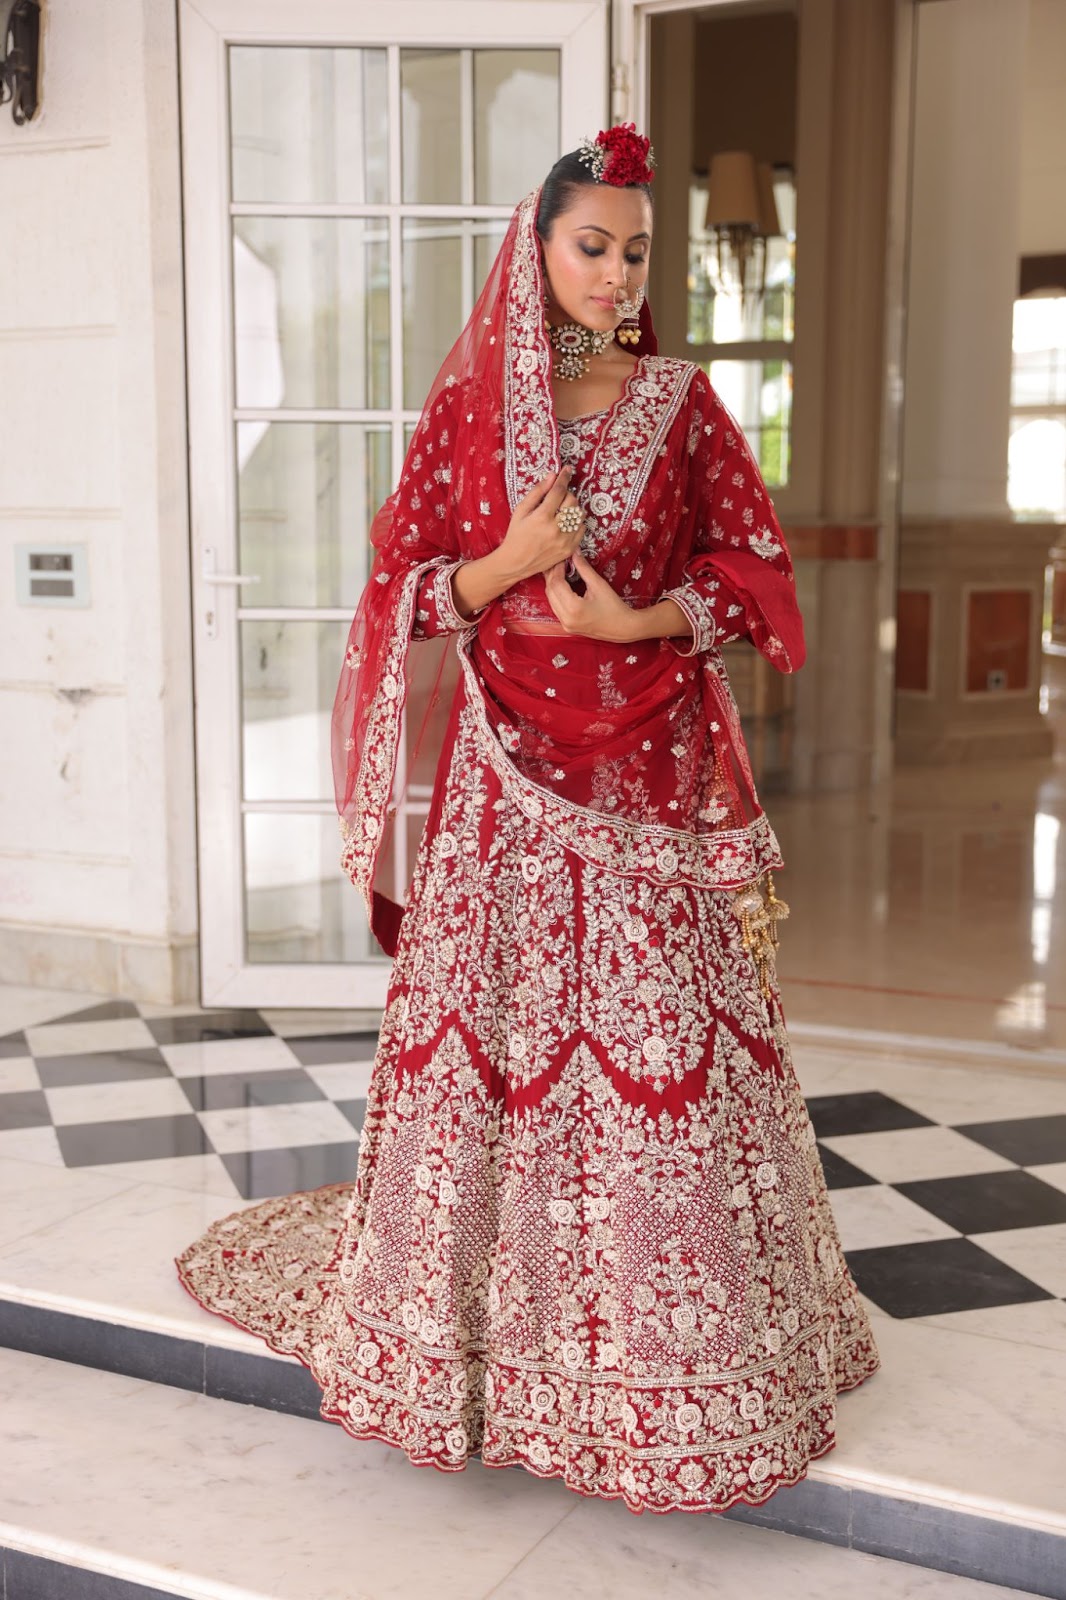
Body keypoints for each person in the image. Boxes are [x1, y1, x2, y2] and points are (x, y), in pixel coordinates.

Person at [176, 123, 881, 1516]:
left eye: (634, 251)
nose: (616, 274)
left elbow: (754, 563)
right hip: (505, 774)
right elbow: (398, 582)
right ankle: (486, 1346)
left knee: (653, 1043)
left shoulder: (682, 403)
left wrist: (639, 612)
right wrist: (505, 563)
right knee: (502, 1038)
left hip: (647, 777)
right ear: (536, 246)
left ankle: (683, 1360)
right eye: (590, 245)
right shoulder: (469, 412)